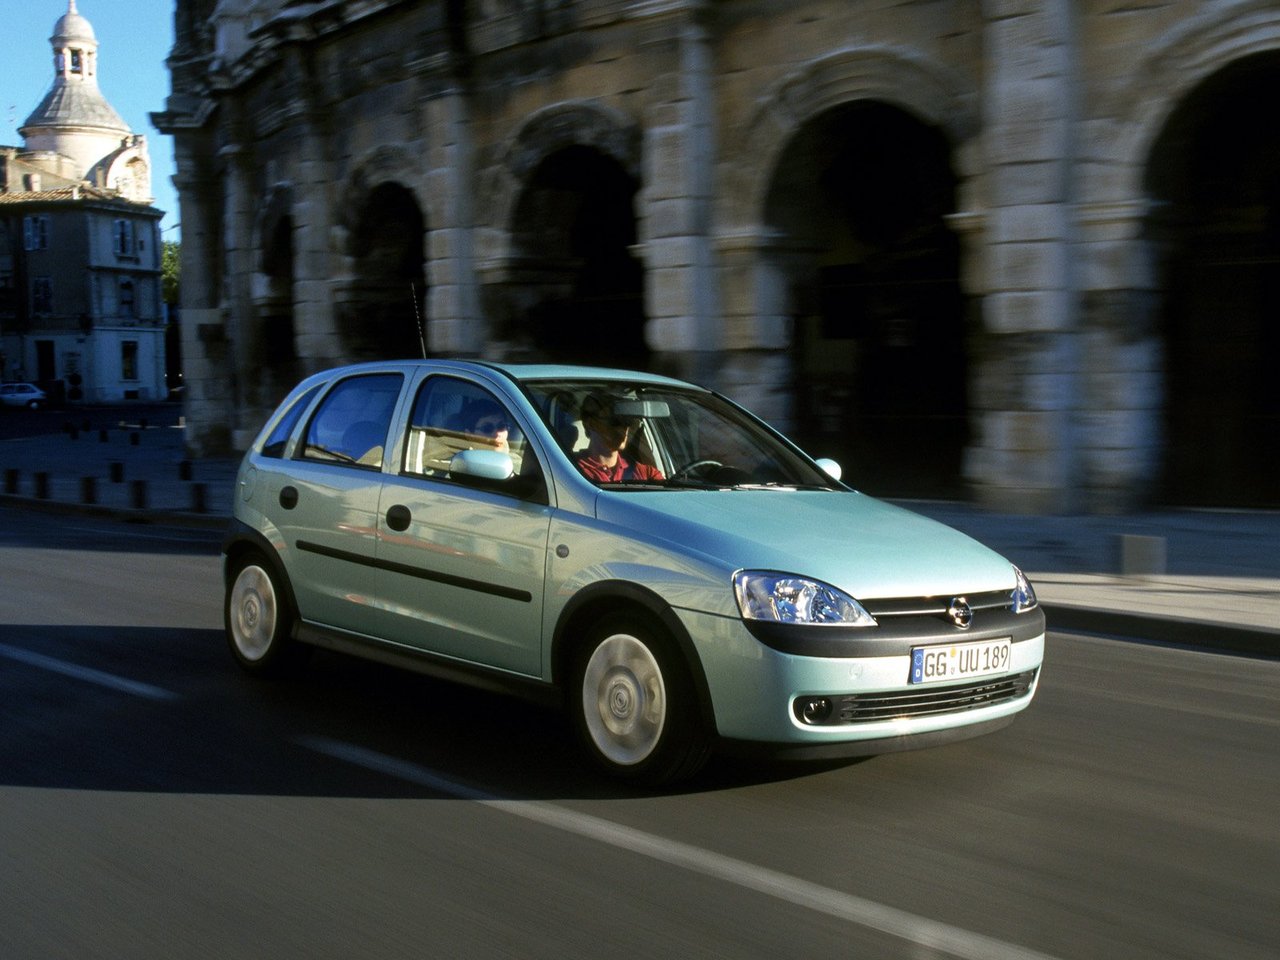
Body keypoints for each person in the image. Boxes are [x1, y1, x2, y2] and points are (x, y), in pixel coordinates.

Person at [576, 393, 664, 482]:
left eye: (627, 421)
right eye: (615, 421)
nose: (623, 428)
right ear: (591, 424)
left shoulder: (647, 474)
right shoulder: (573, 471)